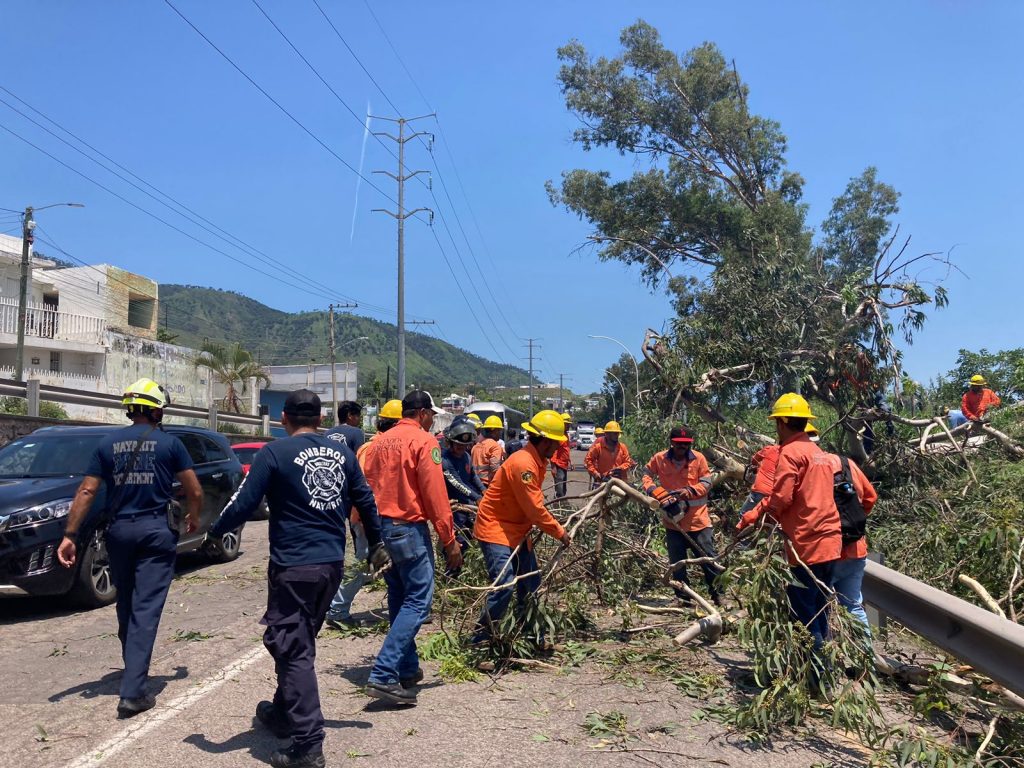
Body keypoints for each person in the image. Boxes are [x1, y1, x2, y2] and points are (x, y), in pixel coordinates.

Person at [209, 389, 385, 768]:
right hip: (330, 566)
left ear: (284, 419)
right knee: (292, 641)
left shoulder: (274, 453)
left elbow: (243, 502)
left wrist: (213, 531)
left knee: (293, 650)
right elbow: (365, 500)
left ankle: (308, 744)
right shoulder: (343, 454)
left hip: (294, 567)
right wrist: (378, 542)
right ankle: (284, 712)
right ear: (320, 420)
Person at [56, 378, 203, 719]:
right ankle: (133, 692)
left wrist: (70, 535)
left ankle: (132, 667)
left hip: (119, 531)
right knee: (146, 609)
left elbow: (88, 492)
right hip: (155, 532)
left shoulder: (107, 444)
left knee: (127, 602)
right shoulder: (170, 444)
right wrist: (193, 517)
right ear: (156, 411)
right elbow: (193, 490)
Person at [361, 390, 462, 706]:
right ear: (422, 413)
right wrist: (449, 541)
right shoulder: (424, 442)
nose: (433, 420)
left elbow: (364, 488)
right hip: (408, 530)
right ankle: (383, 673)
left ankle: (406, 667)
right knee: (419, 600)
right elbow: (434, 496)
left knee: (399, 597)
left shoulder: (378, 442)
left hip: (382, 529)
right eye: (432, 414)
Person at [734, 393, 841, 679]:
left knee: (805, 615)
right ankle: (826, 673)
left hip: (805, 543)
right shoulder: (822, 454)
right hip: (831, 540)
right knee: (822, 611)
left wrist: (754, 514)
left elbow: (780, 497)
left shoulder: (790, 453)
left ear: (782, 422)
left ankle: (813, 680)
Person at [472, 410, 572, 642]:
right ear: (545, 441)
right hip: (496, 528)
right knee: (505, 584)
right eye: (556, 442)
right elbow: (535, 509)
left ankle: (526, 634)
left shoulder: (537, 460)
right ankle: (480, 639)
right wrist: (560, 532)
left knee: (530, 583)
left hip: (517, 529)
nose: (558, 447)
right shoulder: (524, 464)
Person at [325, 399, 403, 630]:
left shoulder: (331, 433)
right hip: (369, 515)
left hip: (351, 505)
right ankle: (337, 609)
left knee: (383, 560)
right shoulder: (370, 445)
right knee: (362, 561)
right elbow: (363, 484)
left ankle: (401, 608)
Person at [642, 426, 720, 606]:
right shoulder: (659, 459)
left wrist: (690, 491)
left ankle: (718, 595)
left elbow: (707, 482)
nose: (682, 448)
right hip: (673, 522)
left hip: (698, 521)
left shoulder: (698, 459)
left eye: (686, 445)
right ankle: (683, 597)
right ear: (671, 443)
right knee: (677, 564)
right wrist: (655, 491)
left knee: (709, 559)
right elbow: (646, 475)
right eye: (679, 444)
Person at [827, 452, 877, 636]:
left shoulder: (809, 465)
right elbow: (871, 497)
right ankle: (866, 660)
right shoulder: (846, 463)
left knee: (817, 608)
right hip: (855, 548)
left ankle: (822, 662)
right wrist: (854, 520)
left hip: (825, 552)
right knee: (854, 606)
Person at [441, 417, 486, 568]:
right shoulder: (445, 461)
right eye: (459, 445)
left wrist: (484, 491)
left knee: (470, 540)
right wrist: (476, 497)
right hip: (453, 508)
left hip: (466, 506)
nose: (462, 448)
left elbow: (472, 476)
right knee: (457, 543)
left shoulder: (466, 456)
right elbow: (456, 483)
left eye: (465, 445)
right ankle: (451, 573)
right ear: (451, 442)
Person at [472, 415, 505, 487]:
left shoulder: (476, 446)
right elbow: (495, 469)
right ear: (494, 431)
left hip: (475, 484)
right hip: (487, 485)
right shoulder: (495, 446)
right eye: (499, 430)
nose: (500, 433)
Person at [549, 412, 574, 499]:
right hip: (558, 465)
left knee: (563, 488)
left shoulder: (566, 435)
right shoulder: (558, 436)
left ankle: (561, 501)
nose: (568, 426)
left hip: (564, 465)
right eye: (566, 424)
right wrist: (553, 466)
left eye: (568, 424)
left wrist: (570, 462)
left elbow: (566, 450)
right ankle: (558, 503)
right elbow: (553, 452)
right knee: (559, 489)